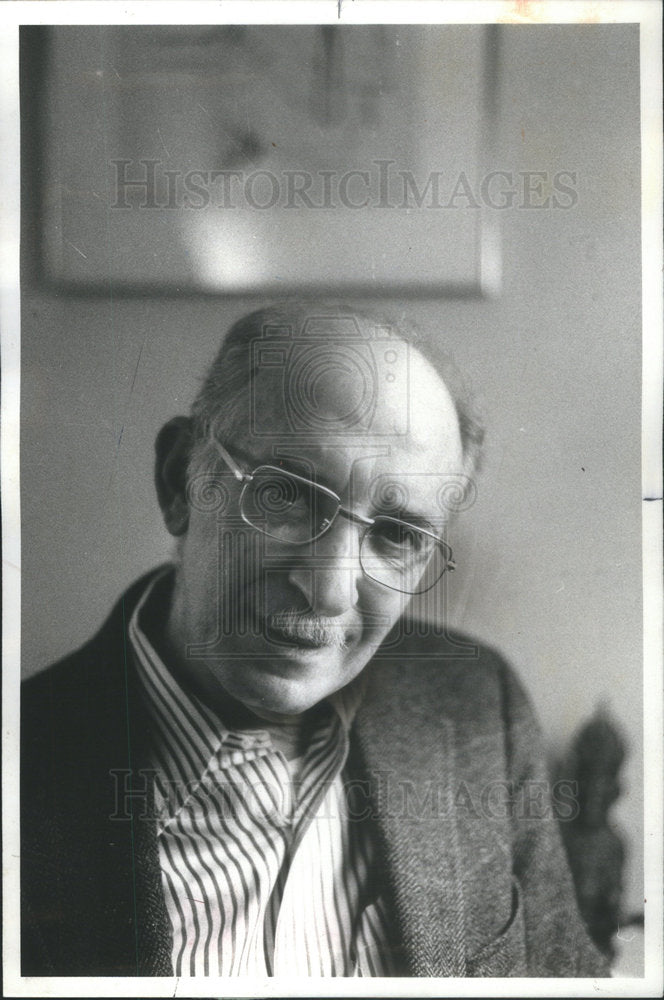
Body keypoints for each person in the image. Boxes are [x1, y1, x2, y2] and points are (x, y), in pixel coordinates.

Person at [21, 302, 609, 977]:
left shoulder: (476, 704)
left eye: (396, 535)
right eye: (288, 497)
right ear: (180, 478)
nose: (329, 590)